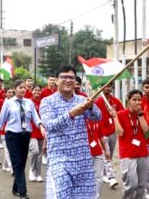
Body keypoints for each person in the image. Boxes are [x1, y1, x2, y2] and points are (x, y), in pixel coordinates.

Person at [39, 65, 101, 199]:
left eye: (71, 78)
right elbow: (49, 125)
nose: (68, 80)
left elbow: (97, 117)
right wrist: (72, 114)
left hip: (83, 162)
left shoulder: (82, 100)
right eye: (64, 77)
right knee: (60, 195)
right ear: (56, 81)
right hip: (60, 160)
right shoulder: (47, 102)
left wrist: (90, 107)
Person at [0, 79, 44, 199]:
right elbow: (0, 121)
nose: (23, 89)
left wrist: (41, 126)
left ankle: (15, 187)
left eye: (24, 87)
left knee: (22, 163)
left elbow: (35, 117)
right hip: (12, 135)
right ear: (15, 89)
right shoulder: (8, 103)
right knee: (17, 163)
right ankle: (23, 192)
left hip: (25, 136)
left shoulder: (29, 102)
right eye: (20, 87)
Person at [110, 89, 149, 199]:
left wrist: (140, 115)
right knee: (131, 185)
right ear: (129, 100)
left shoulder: (142, 114)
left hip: (142, 153)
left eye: (139, 100)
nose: (137, 102)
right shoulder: (121, 114)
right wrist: (115, 118)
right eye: (134, 100)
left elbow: (146, 131)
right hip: (128, 154)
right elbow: (120, 133)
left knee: (141, 185)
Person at [95, 83, 124, 188]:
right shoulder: (97, 102)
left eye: (109, 86)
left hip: (112, 132)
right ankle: (112, 177)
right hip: (102, 134)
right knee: (105, 155)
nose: (107, 88)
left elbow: (122, 113)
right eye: (105, 86)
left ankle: (104, 173)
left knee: (109, 155)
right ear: (101, 88)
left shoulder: (115, 101)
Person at [86, 119, 110, 199]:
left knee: (99, 177)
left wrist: (106, 150)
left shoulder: (97, 120)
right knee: (87, 177)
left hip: (98, 152)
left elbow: (101, 136)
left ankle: (97, 197)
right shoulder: (81, 120)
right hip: (86, 154)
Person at [28, 85, 45, 182]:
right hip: (31, 130)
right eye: (35, 90)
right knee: (34, 151)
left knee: (40, 154)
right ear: (32, 91)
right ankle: (31, 170)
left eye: (39, 90)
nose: (37, 92)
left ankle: (38, 173)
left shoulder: (43, 102)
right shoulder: (28, 102)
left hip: (41, 130)